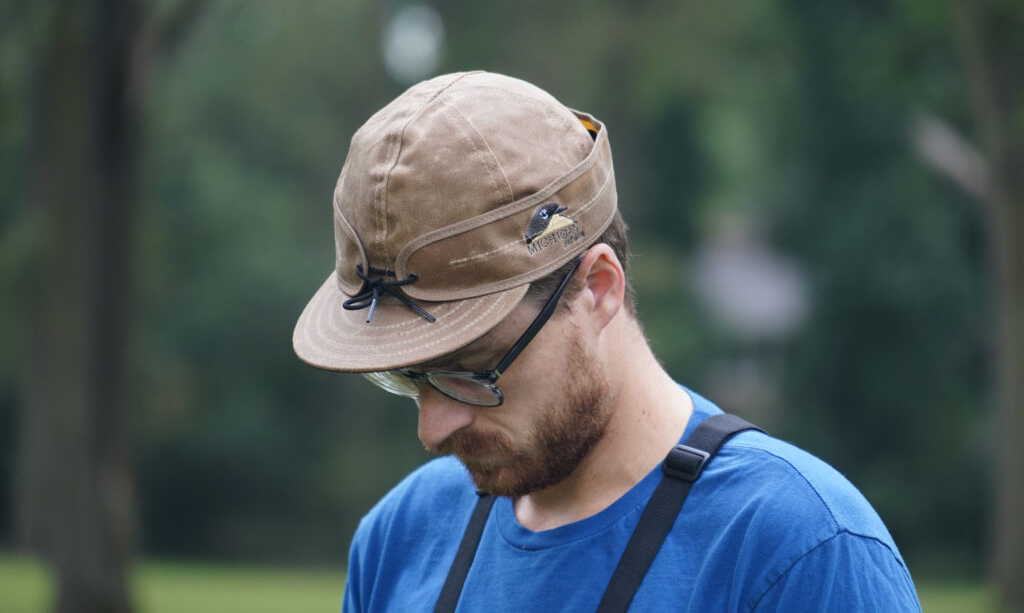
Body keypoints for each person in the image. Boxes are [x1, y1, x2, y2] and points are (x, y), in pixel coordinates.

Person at [293, 71, 922, 612]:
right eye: (408, 375)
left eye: (473, 369)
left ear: (597, 288)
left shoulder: (798, 552)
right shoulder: (400, 539)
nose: (432, 430)